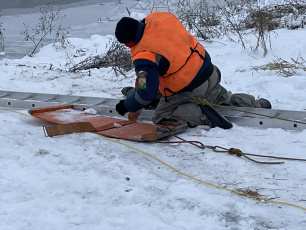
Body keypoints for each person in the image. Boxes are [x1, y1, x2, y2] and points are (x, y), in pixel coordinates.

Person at [114, 12, 271, 128]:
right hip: (209, 72)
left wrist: (130, 106)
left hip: (188, 88)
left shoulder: (144, 55)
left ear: (128, 43)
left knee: (162, 117)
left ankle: (202, 114)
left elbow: (146, 91)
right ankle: (254, 103)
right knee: (220, 97)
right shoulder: (159, 18)